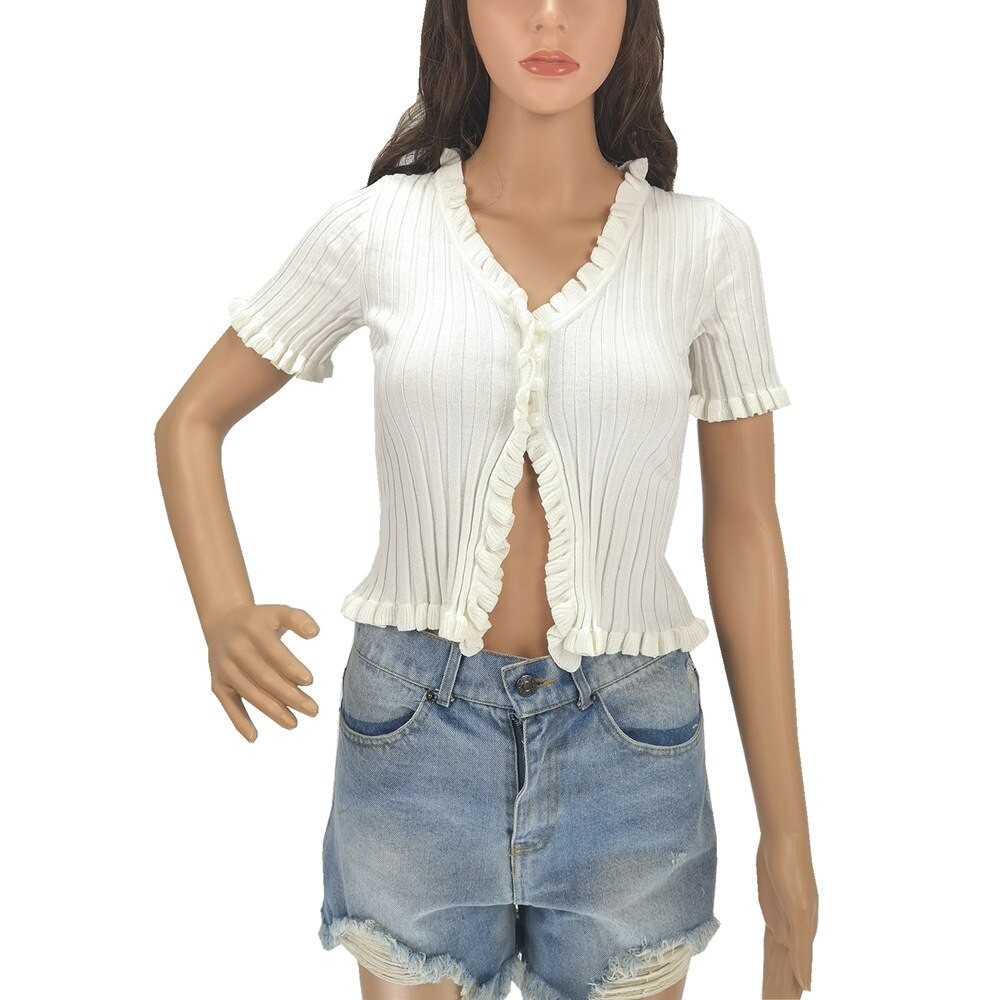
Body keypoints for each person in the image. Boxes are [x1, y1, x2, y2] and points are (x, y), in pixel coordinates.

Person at [155, 1, 818, 998]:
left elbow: (746, 526)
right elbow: (190, 422)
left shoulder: (704, 248)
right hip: (414, 733)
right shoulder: (381, 229)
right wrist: (221, 609)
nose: (550, 17)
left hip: (631, 743)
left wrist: (787, 831)